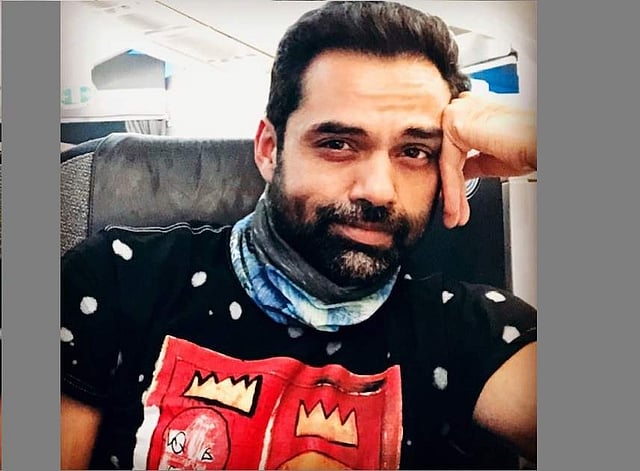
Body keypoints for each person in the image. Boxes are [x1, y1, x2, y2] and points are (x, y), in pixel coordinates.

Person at [60, 2, 537, 469]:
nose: (378, 190)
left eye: (414, 151)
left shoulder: (468, 331)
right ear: (270, 150)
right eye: (337, 144)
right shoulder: (115, 281)